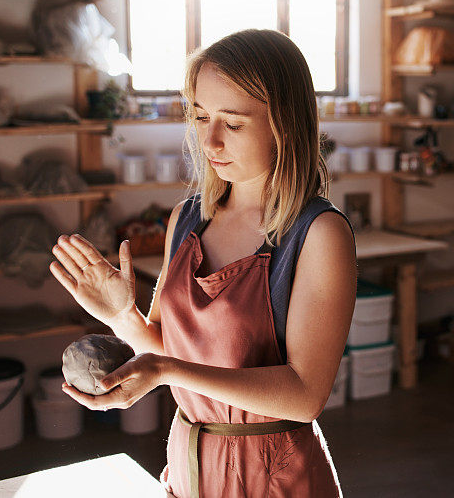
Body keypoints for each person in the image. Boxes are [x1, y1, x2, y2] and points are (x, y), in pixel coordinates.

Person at [50, 29, 357, 497]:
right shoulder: (187, 219)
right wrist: (119, 315)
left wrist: (168, 372)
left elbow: (304, 395)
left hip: (272, 476)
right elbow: (166, 350)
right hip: (191, 462)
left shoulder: (318, 234)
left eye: (232, 124)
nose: (210, 141)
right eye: (200, 117)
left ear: (286, 125)